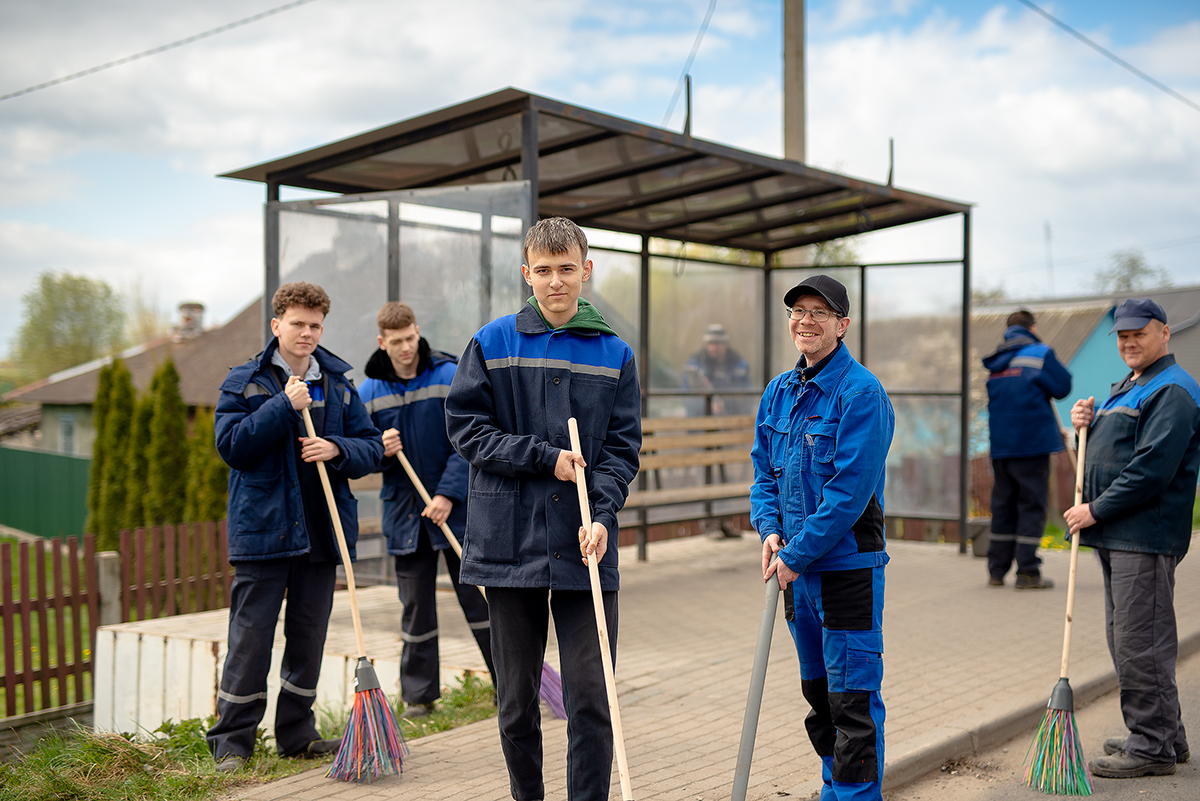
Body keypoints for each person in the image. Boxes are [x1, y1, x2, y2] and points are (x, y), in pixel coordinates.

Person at [445, 217, 641, 801]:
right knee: (515, 702)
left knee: (590, 697)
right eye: (544, 271)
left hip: (584, 548)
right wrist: (543, 457)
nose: (556, 282)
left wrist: (602, 518)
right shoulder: (492, 341)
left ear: (586, 270)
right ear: (527, 274)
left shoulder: (615, 353)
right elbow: (467, 431)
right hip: (508, 544)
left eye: (567, 270)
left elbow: (621, 452)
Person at [207, 282, 383, 772]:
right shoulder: (246, 381)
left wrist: (338, 449)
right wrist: (284, 405)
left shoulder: (340, 384)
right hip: (264, 533)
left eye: (314, 325)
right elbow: (233, 447)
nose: (306, 333)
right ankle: (232, 743)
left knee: (308, 638)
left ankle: (297, 735)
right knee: (251, 639)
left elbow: (371, 448)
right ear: (276, 325)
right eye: (297, 324)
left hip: (322, 534)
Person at [750, 274, 895, 801]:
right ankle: (833, 790)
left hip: (845, 570)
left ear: (842, 325)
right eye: (797, 311)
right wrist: (768, 532)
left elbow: (848, 495)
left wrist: (795, 552)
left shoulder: (862, 394)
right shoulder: (780, 392)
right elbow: (763, 471)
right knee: (819, 697)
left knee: (852, 700)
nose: (805, 320)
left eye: (819, 312)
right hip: (794, 572)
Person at [1065, 298, 1200, 779]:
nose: (1128, 342)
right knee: (1128, 640)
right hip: (1119, 536)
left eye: (1138, 333)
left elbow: (1150, 470)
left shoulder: (1174, 390)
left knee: (1139, 642)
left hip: (1143, 536)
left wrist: (1094, 509)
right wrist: (1086, 423)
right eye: (1122, 335)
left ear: (1164, 333)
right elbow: (1110, 447)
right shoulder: (1131, 385)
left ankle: (1150, 747)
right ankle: (1165, 735)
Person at [357, 301, 495, 719]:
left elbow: (467, 440)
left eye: (410, 338)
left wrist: (448, 495)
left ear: (418, 332)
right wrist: (380, 450)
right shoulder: (369, 393)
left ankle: (509, 681)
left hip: (457, 509)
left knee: (481, 600)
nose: (405, 348)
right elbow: (360, 454)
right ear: (382, 342)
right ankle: (419, 696)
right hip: (405, 515)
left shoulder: (448, 375)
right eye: (396, 342)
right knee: (415, 607)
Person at [982, 309, 1072, 589]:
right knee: (1031, 506)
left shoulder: (996, 359)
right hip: (1031, 445)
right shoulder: (1039, 353)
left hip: (1001, 447)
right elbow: (1063, 386)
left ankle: (997, 571)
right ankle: (1028, 573)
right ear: (1032, 327)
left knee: (1004, 506)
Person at [681, 323, 753, 415]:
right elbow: (686, 395)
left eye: (718, 343)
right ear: (706, 344)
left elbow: (747, 397)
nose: (714, 347)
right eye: (711, 343)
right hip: (700, 423)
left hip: (731, 422)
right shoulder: (694, 365)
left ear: (726, 344)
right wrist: (707, 405)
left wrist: (725, 405)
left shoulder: (739, 366)